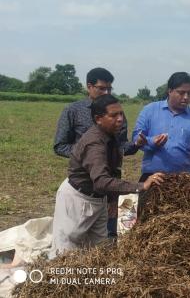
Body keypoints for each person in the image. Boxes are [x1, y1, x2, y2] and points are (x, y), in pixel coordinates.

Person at [50, 95, 164, 258]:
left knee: (98, 250)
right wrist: (141, 186)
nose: (120, 120)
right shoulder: (94, 143)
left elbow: (113, 168)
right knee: (65, 252)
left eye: (121, 114)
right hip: (78, 199)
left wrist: (111, 199)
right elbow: (102, 181)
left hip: (97, 198)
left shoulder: (110, 135)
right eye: (114, 115)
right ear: (98, 118)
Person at [53, 67, 143, 239]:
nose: (106, 92)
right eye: (101, 88)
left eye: (109, 89)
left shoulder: (117, 115)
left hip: (107, 184)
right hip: (82, 183)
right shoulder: (73, 110)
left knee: (105, 234)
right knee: (71, 239)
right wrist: (88, 154)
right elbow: (59, 145)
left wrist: (136, 145)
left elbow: (119, 149)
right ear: (89, 87)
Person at [132, 72, 190, 183]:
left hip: (183, 181)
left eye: (189, 93)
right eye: (181, 93)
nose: (186, 97)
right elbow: (136, 138)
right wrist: (152, 141)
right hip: (152, 178)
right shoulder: (150, 110)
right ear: (169, 91)